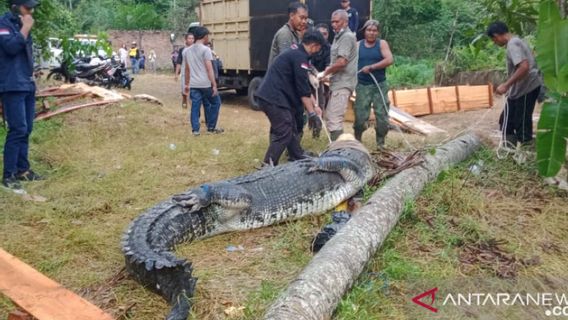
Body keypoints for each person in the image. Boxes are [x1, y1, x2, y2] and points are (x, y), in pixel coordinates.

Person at [255, 30, 325, 166]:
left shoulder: (297, 53)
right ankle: (268, 164)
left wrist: (315, 106)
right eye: (318, 48)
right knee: (284, 131)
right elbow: (302, 90)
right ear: (314, 45)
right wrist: (311, 114)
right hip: (272, 97)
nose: (317, 51)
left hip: (276, 96)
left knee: (291, 126)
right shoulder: (299, 57)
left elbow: (303, 84)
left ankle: (297, 155)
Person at [0, 0, 43, 191]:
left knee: (27, 129)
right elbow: (10, 48)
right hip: (11, 85)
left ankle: (22, 170)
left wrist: (33, 78)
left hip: (26, 83)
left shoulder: (21, 24)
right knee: (17, 129)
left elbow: (25, 54)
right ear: (15, 6)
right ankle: (8, 175)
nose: (31, 11)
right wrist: (25, 28)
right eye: (28, 7)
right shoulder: (3, 25)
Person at [487, 21, 542, 147]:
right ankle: (508, 151)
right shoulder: (517, 41)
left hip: (526, 88)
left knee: (521, 124)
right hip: (519, 90)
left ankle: (527, 154)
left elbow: (524, 67)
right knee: (506, 121)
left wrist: (506, 85)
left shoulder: (513, 44)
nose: (495, 43)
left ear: (497, 35)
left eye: (494, 40)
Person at [354, 20, 394, 149]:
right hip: (362, 86)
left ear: (377, 32)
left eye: (374, 30)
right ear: (364, 31)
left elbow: (389, 59)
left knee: (382, 117)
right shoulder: (358, 45)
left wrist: (372, 67)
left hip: (379, 86)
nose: (371, 33)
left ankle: (381, 144)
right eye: (369, 30)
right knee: (360, 118)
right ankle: (357, 141)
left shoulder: (382, 44)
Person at [320, 9, 358, 141]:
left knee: (335, 118)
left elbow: (342, 62)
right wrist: (329, 75)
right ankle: (338, 147)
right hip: (338, 82)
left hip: (343, 83)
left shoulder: (346, 37)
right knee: (331, 116)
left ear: (345, 22)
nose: (333, 24)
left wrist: (325, 72)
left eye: (337, 21)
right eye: (332, 22)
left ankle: (339, 150)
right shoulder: (338, 37)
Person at [183, 27, 224, 136]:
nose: (208, 38)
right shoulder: (206, 50)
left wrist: (187, 84)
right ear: (204, 36)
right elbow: (209, 69)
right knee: (216, 102)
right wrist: (214, 85)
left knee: (195, 106)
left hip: (193, 84)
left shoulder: (187, 51)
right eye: (207, 36)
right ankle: (211, 127)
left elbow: (187, 69)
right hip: (205, 84)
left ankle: (195, 130)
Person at [268, 1, 308, 66]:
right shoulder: (285, 34)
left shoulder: (296, 34)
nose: (304, 21)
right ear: (291, 15)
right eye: (301, 17)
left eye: (306, 18)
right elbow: (287, 62)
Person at [312, 23, 331, 111]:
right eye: (320, 33)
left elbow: (329, 64)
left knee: (323, 99)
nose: (323, 36)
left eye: (325, 34)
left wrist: (323, 75)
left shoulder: (329, 48)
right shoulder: (310, 45)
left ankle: (320, 118)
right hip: (309, 75)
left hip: (323, 77)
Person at [178, 33, 195, 109]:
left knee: (192, 91)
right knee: (184, 90)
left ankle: (193, 108)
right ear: (186, 40)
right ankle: (184, 99)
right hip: (184, 73)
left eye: (192, 38)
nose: (191, 40)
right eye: (189, 38)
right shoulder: (182, 50)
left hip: (194, 74)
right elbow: (179, 62)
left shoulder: (196, 49)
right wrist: (176, 74)